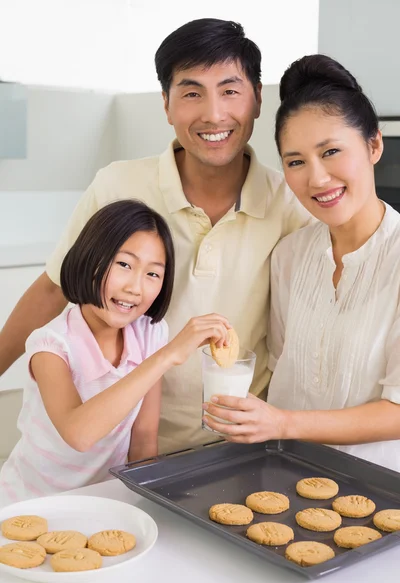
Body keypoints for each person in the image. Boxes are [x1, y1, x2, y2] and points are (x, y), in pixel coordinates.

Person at [0, 18, 309, 454]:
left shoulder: (291, 203)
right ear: (166, 104)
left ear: (258, 99)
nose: (214, 113)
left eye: (230, 90)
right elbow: (53, 290)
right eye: (191, 92)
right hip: (120, 443)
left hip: (237, 444)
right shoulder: (116, 184)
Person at [202, 54, 400, 472]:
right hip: (283, 476)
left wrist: (282, 422)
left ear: (374, 145)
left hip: (379, 494)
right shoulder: (289, 255)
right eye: (295, 162)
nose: (317, 179)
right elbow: (280, 369)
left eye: (331, 151)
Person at [0, 200, 231, 503]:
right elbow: (78, 434)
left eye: (153, 274)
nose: (135, 287)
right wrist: (167, 356)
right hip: (33, 502)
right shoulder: (51, 344)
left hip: (105, 502)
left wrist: (147, 507)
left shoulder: (150, 334)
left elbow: (144, 437)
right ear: (89, 258)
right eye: (124, 265)